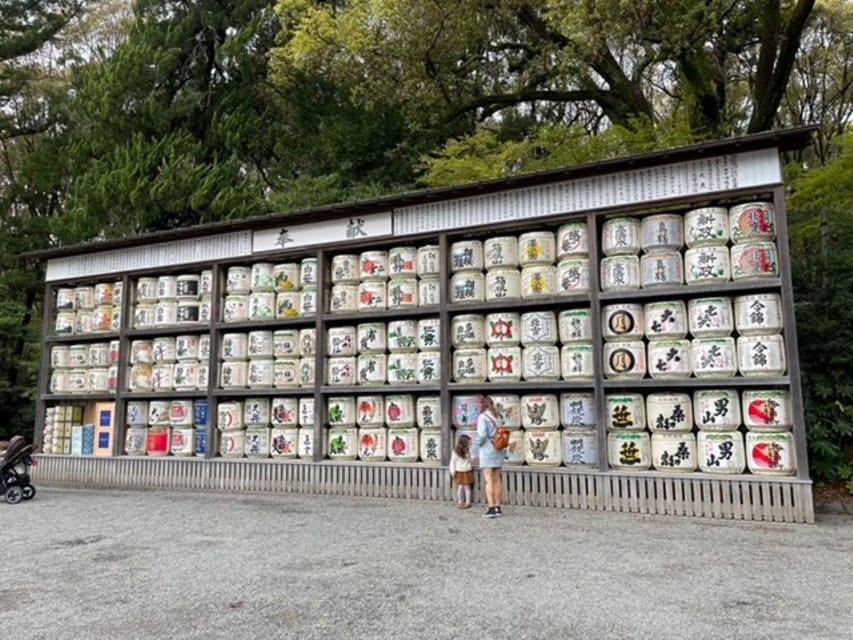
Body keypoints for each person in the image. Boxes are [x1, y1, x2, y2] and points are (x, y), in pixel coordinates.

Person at [476, 396, 504, 518]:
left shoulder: (483, 417)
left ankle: (491, 507)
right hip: (498, 449)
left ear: (483, 405)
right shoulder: (498, 416)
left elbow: (482, 435)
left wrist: (476, 445)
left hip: (487, 450)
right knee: (497, 479)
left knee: (489, 479)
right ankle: (498, 507)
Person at [448, 434, 474, 509]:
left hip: (460, 471)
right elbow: (471, 460)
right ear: (465, 442)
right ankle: (466, 502)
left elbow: (452, 462)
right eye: (469, 442)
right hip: (465, 471)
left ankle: (461, 502)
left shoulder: (456, 451)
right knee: (466, 487)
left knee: (461, 487)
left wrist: (452, 471)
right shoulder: (466, 451)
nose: (470, 443)